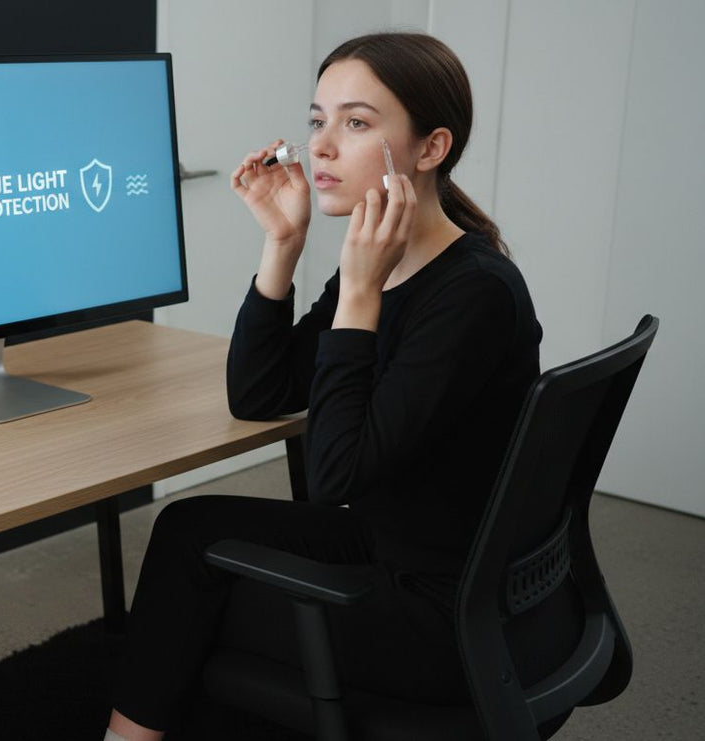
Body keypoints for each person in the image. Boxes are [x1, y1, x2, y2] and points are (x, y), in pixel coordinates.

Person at [104, 32, 554, 741]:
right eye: (318, 120)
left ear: (431, 148)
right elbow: (260, 394)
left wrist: (360, 295)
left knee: (186, 606)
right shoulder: (385, 262)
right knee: (187, 530)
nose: (321, 147)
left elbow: (333, 471)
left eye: (357, 122)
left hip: (442, 615)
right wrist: (282, 245)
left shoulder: (473, 292)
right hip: (402, 542)